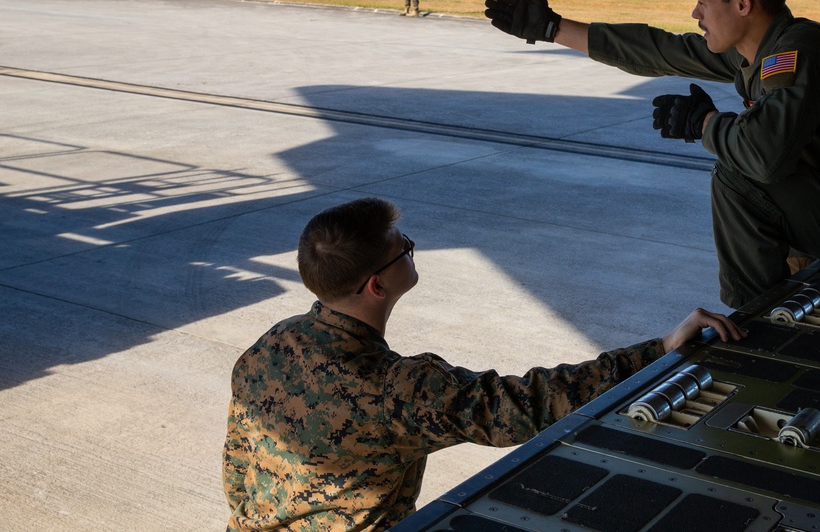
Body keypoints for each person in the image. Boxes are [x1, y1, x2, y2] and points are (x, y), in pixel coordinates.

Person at [223, 197, 745, 532]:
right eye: (403, 248)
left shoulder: (270, 346)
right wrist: (658, 350)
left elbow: (239, 469)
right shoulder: (396, 390)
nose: (410, 250)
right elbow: (528, 405)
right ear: (377, 285)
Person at [484, 0, 820, 309]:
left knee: (738, 173)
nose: (695, 13)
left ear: (742, 2)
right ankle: (782, 285)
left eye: (702, 0)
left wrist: (705, 123)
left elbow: (762, 157)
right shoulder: (759, 48)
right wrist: (552, 28)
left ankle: (756, 320)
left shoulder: (795, 53)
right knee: (744, 163)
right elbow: (660, 49)